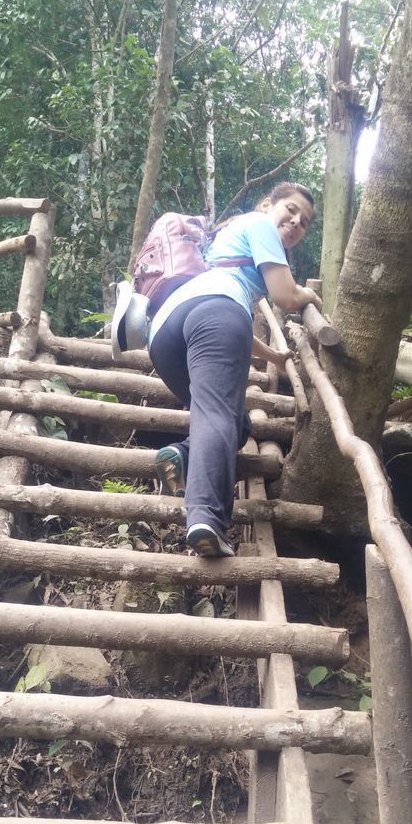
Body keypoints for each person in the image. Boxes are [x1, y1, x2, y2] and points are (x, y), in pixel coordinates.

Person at [147, 182, 320, 557]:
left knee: (237, 423)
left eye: (303, 222)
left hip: (166, 333)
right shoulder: (259, 226)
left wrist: (272, 358)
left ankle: (181, 454)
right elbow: (285, 296)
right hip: (215, 316)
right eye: (290, 210)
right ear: (266, 205)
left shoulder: (226, 238)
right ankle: (205, 518)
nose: (295, 222)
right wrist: (311, 295)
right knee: (218, 417)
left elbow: (215, 310)